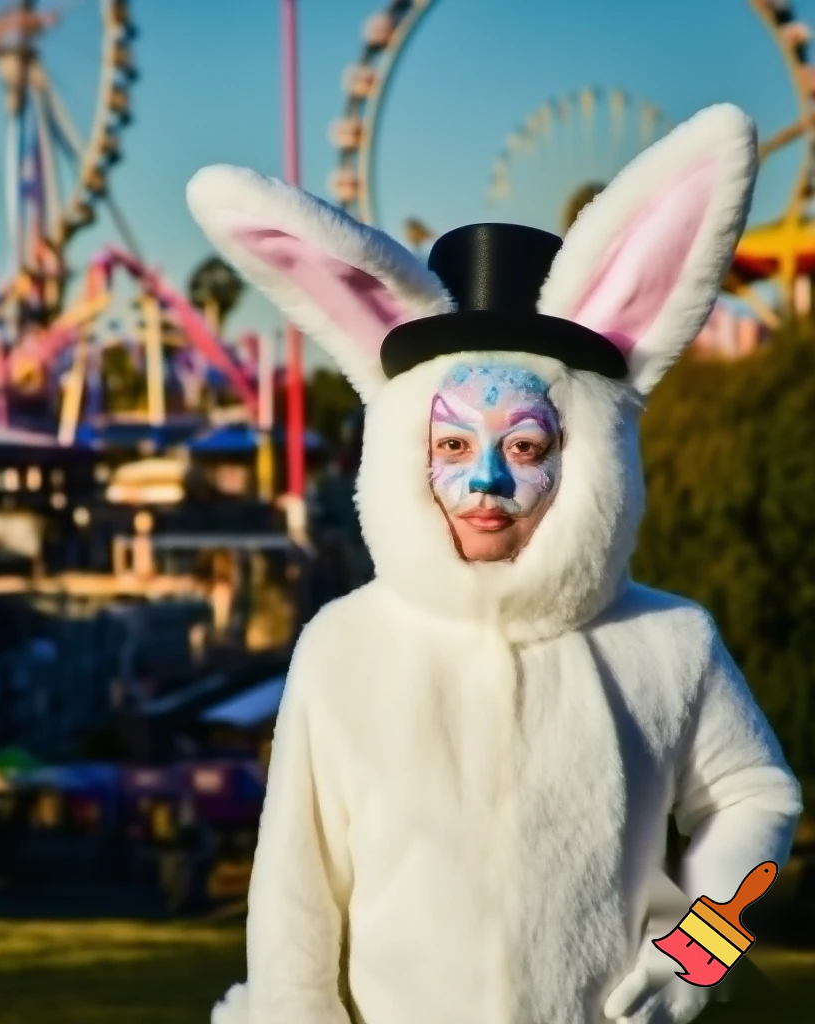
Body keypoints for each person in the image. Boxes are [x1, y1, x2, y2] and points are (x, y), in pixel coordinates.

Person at [186, 104, 802, 1024]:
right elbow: (297, 893)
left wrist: (694, 962)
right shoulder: (342, 647)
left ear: (583, 453)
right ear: (405, 451)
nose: (482, 483)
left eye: (522, 447)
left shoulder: (672, 643)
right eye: (452, 445)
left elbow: (753, 798)